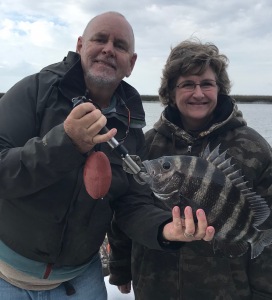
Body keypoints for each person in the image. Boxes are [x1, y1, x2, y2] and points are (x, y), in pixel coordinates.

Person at [0, 13, 215, 300]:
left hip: (80, 278)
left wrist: (164, 230)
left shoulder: (133, 128)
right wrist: (65, 143)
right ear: (80, 46)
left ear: (131, 63)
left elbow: (131, 203)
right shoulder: (34, 91)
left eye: (120, 45)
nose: (108, 49)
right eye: (100, 39)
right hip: (6, 275)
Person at [108, 39, 272, 299]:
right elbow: (126, 208)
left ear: (220, 89)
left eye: (206, 83)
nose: (198, 93)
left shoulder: (253, 147)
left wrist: (264, 292)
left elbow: (268, 228)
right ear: (171, 92)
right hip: (154, 285)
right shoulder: (147, 144)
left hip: (226, 291)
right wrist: (119, 268)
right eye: (187, 84)